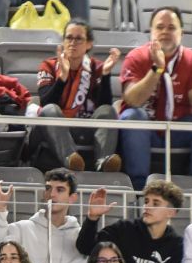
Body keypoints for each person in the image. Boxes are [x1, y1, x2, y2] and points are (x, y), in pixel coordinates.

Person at [117, 8, 192, 190]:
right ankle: (138, 189)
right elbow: (132, 100)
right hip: (146, 130)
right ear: (151, 32)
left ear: (181, 33)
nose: (165, 32)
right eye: (160, 27)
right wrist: (157, 69)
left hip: (178, 129)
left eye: (171, 27)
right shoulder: (137, 57)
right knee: (133, 116)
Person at [27, 22, 122, 174]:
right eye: (69, 38)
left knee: (107, 110)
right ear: (63, 41)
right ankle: (70, 160)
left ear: (89, 44)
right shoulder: (49, 66)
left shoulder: (96, 67)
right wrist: (62, 79)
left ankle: (103, 161)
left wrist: (105, 75)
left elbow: (104, 107)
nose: (72, 43)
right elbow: (46, 103)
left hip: (85, 128)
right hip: (57, 129)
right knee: (50, 110)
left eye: (79, 39)